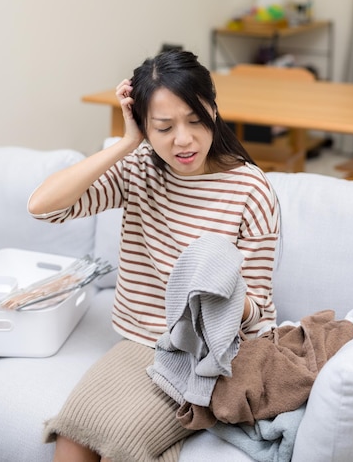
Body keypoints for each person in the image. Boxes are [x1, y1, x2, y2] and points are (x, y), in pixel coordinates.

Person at [28, 49, 280, 462]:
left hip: (212, 355)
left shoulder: (250, 189)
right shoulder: (139, 169)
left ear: (213, 111)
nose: (184, 139)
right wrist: (126, 143)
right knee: (71, 437)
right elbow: (44, 207)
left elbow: (260, 309)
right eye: (163, 127)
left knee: (119, 449)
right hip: (141, 343)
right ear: (145, 126)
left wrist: (216, 295)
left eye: (196, 120)